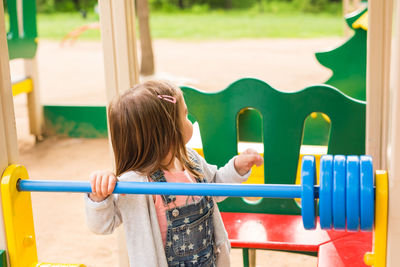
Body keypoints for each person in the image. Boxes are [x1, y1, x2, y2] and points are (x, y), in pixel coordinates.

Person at [85, 80, 263, 267]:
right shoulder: (136, 183)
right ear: (168, 131)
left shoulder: (190, 159)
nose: (190, 121)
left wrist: (237, 168)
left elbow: (216, 185)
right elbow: (102, 225)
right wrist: (98, 196)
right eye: (185, 115)